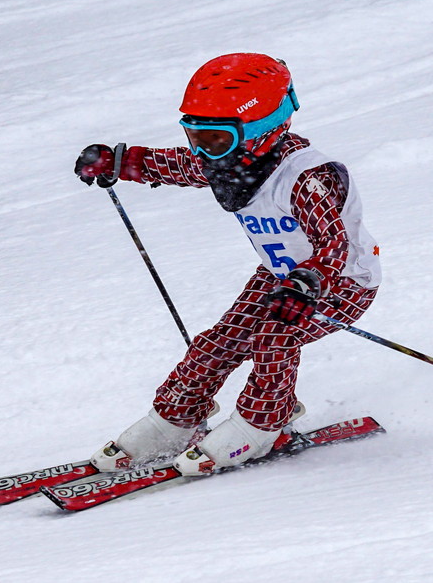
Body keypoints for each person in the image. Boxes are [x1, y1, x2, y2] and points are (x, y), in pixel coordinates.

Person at [74, 53, 381, 476]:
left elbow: (334, 244)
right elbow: (176, 165)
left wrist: (308, 282)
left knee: (273, 338)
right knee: (216, 343)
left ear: (259, 129)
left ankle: (263, 424)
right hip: (280, 278)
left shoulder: (305, 177)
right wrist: (120, 163)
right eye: (195, 136)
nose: (203, 151)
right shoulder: (235, 163)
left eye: (215, 139)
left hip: (339, 283)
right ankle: (174, 422)